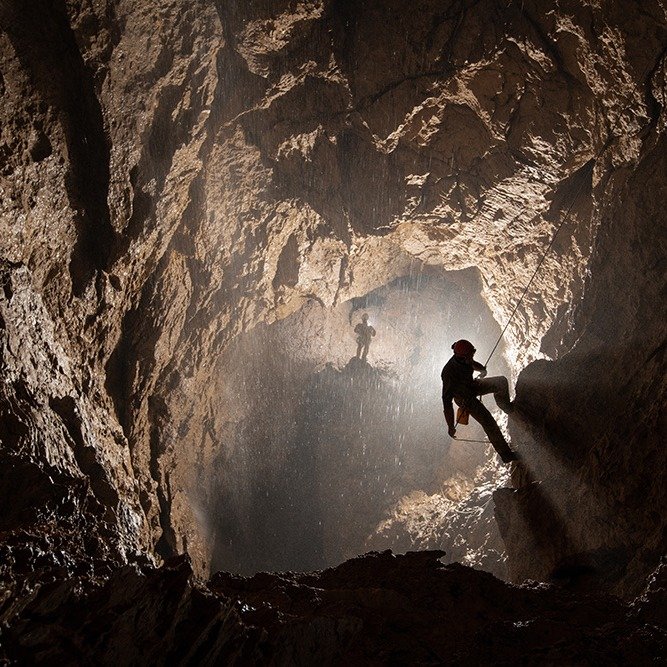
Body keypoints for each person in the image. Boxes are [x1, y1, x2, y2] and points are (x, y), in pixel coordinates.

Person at [441, 339, 519, 463]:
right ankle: (506, 455)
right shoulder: (449, 373)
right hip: (465, 399)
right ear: (462, 356)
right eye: (470, 355)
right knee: (489, 422)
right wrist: (450, 426)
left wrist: (482, 369)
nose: (472, 356)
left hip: (472, 386)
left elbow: (471, 363)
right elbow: (446, 402)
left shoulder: (464, 358)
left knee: (501, 382)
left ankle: (506, 406)